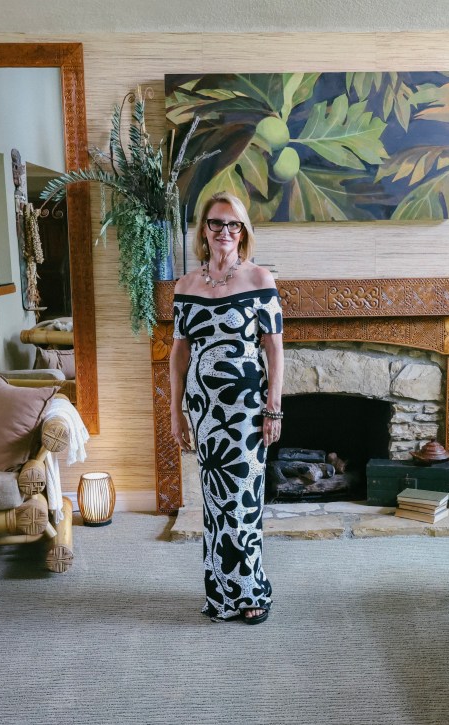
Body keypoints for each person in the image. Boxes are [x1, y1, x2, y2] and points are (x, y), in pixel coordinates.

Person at [169, 191, 284, 625]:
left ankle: (251, 590)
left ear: (243, 232)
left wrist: (273, 408)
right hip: (203, 409)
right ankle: (220, 592)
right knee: (216, 501)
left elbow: (274, 350)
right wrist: (176, 411)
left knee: (243, 499)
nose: (224, 231)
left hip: (246, 409)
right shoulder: (186, 286)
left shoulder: (259, 279)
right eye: (216, 223)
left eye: (233, 224)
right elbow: (179, 354)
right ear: (204, 229)